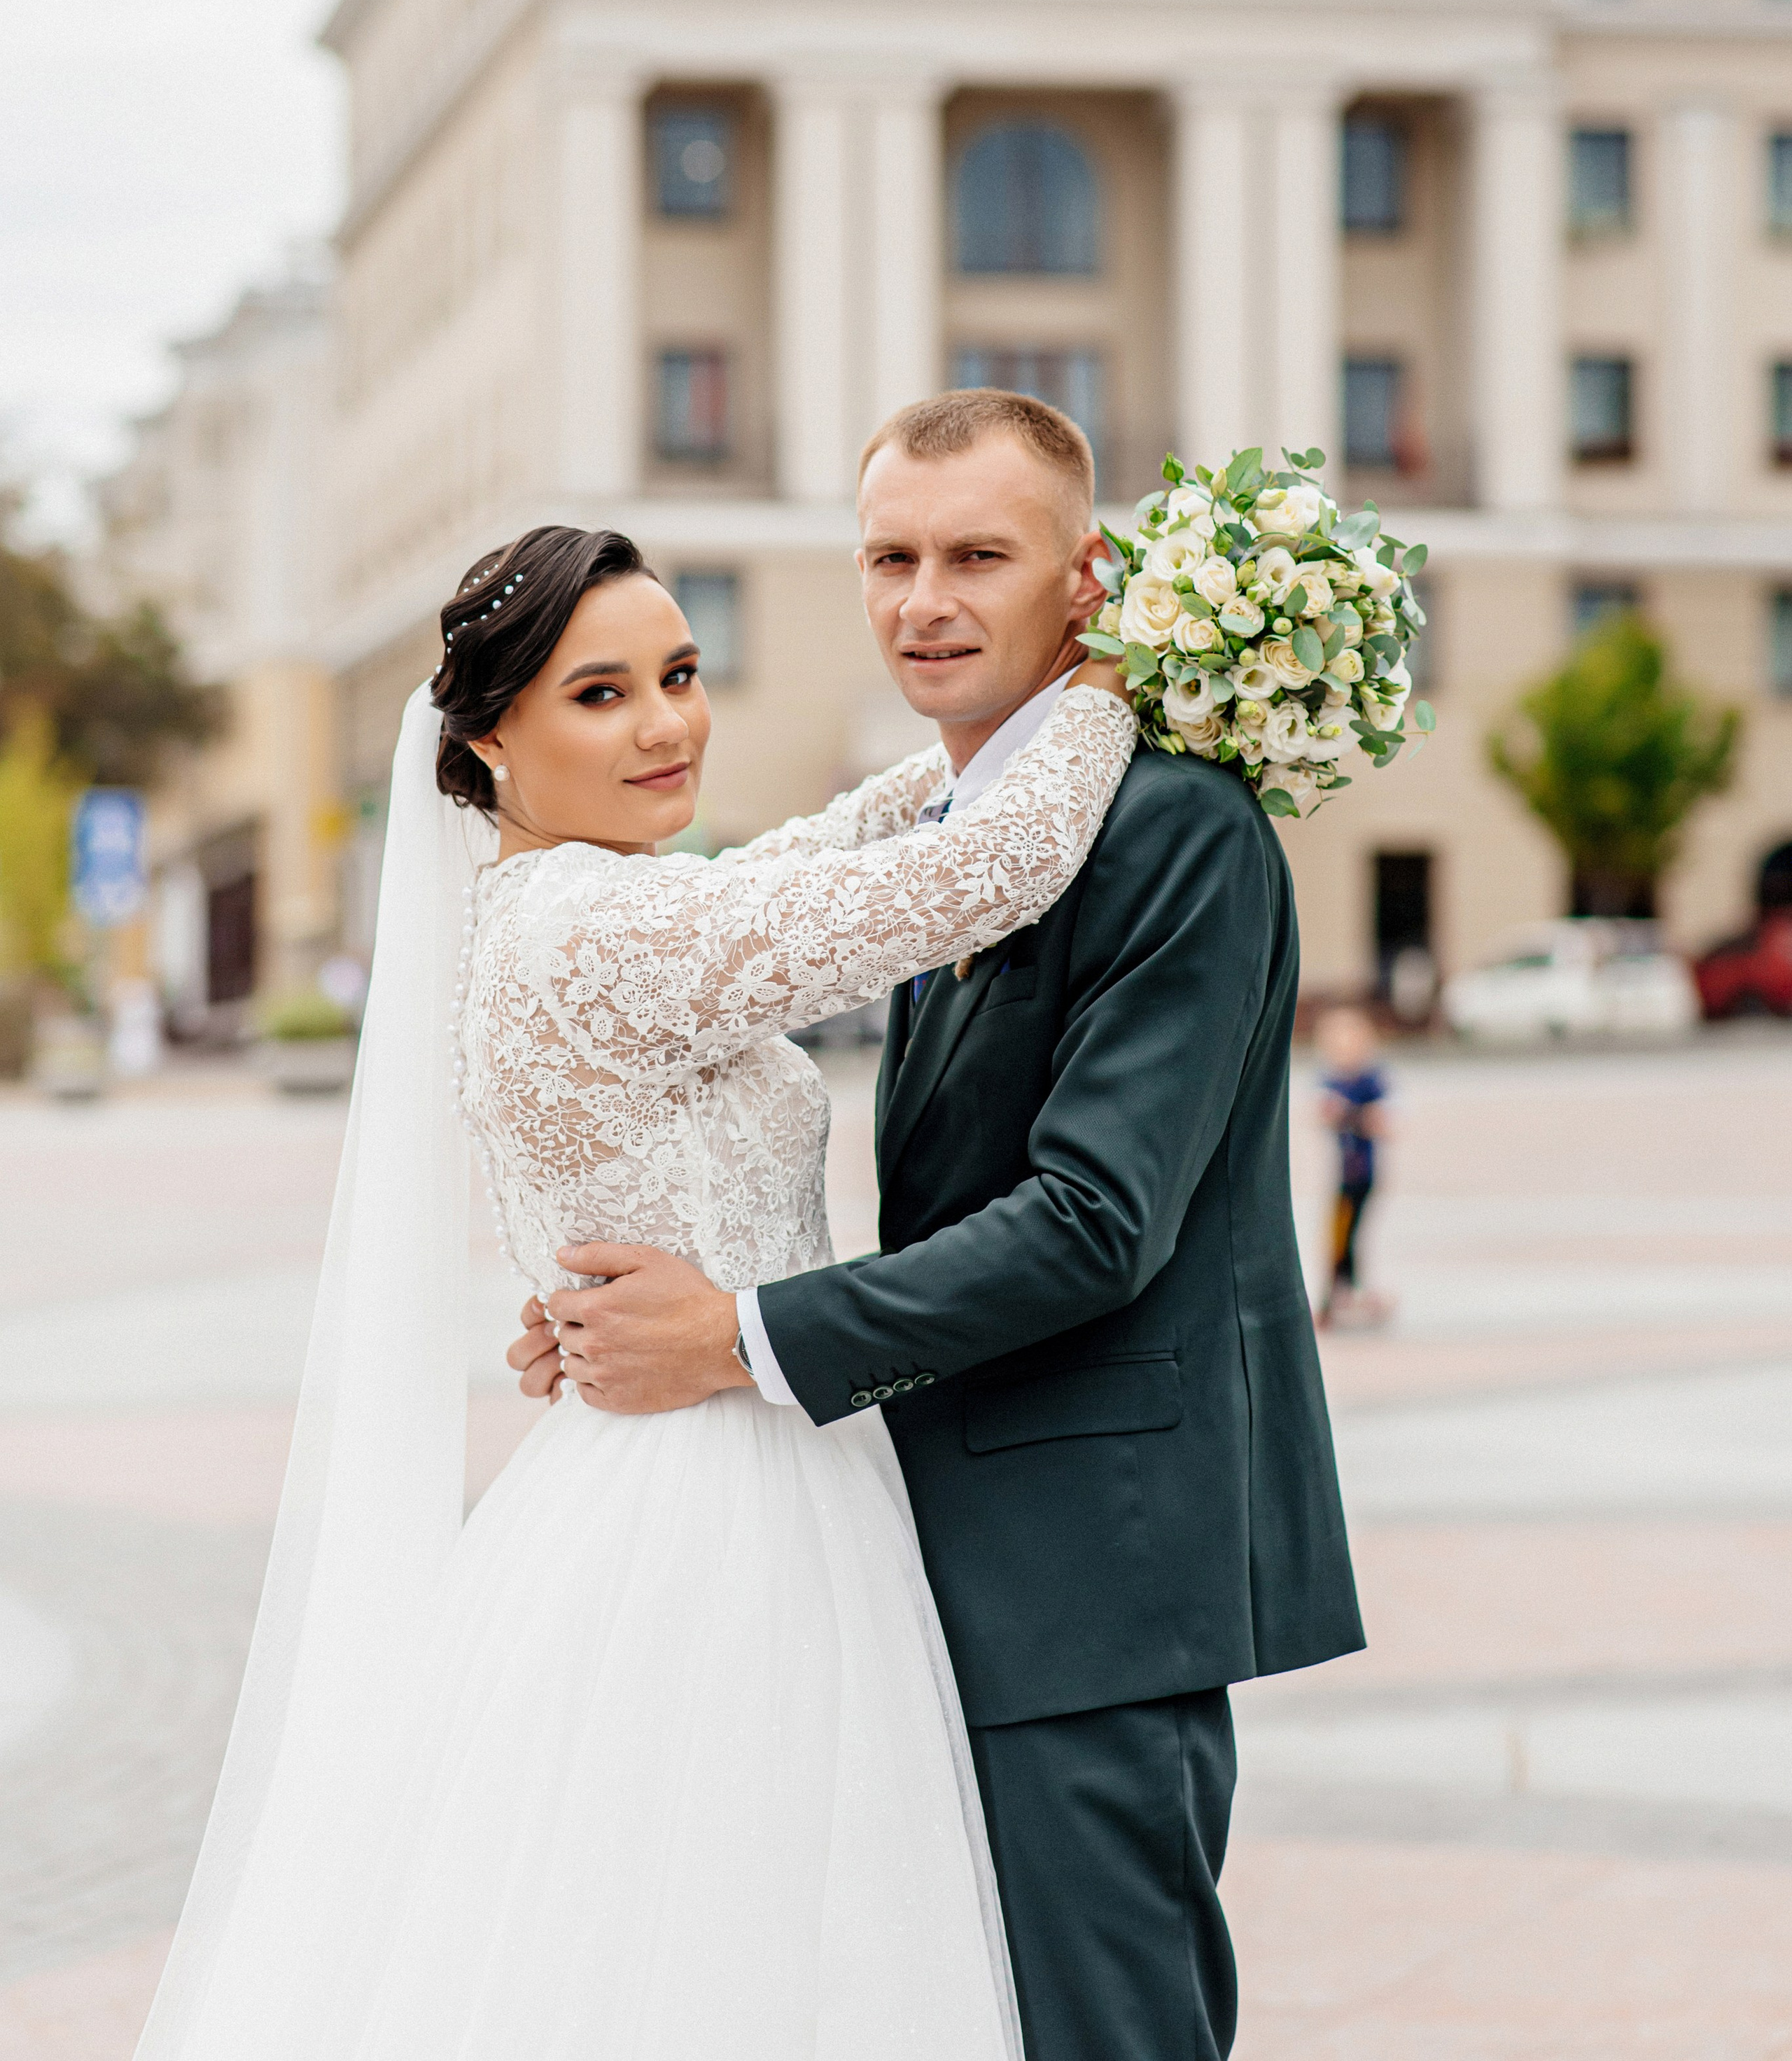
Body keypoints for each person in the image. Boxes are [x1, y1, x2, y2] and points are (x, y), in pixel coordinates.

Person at [134, 519, 1137, 2061]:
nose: (665, 722)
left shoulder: (586, 903)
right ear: (487, 740)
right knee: (731, 1935)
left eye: (676, 672)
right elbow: (978, 875)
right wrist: (1121, 674)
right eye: (599, 696)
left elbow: (818, 853)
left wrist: (976, 741)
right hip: (715, 1501)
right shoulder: (595, 926)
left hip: (702, 1444)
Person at [512, 390, 1364, 2061]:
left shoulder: (1171, 822)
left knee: (1100, 2027)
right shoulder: (950, 829)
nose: (924, 599)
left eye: (978, 553)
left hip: (1091, 1559)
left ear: (1086, 574)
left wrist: (738, 1336)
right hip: (938, 1538)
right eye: (888, 556)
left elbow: (1089, 1219)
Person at [1315, 1004, 1394, 1330]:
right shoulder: (1333, 1080)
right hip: (1345, 1174)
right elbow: (1321, 1112)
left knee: (1344, 1234)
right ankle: (1345, 1292)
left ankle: (1337, 1297)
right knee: (1340, 1235)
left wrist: (1351, 1116)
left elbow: (1385, 1122)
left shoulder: (1371, 1080)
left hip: (1363, 1173)